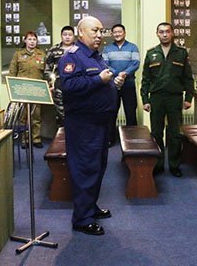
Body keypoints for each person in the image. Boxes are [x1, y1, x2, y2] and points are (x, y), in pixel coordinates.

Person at [59, 16, 125, 235]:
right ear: (81, 32)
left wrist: (113, 83)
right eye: (94, 31)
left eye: (101, 31)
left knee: (97, 167)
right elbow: (69, 86)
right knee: (85, 169)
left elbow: (100, 82)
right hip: (83, 124)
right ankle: (82, 218)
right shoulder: (72, 56)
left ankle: (90, 207)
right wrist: (99, 80)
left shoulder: (96, 56)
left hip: (100, 122)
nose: (99, 35)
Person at [141, 22, 194, 177]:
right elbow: (145, 79)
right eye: (161, 32)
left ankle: (174, 165)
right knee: (156, 133)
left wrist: (188, 97)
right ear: (157, 34)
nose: (164, 34)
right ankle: (157, 165)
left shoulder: (181, 53)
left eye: (167, 31)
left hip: (174, 98)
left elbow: (188, 78)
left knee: (175, 133)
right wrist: (145, 99)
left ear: (172, 33)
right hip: (156, 98)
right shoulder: (151, 53)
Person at [102, 24, 140, 145]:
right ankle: (110, 139)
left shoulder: (132, 47)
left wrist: (124, 73)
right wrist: (117, 74)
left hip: (129, 84)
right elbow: (105, 64)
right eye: (115, 32)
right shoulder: (107, 48)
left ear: (124, 33)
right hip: (112, 85)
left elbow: (136, 63)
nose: (117, 34)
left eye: (120, 32)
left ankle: (132, 140)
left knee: (131, 112)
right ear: (112, 34)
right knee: (111, 112)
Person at [9, 31, 47, 148]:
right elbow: (12, 72)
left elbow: (46, 72)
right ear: (25, 40)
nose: (32, 42)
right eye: (29, 39)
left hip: (37, 89)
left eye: (34, 39)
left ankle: (36, 139)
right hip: (22, 89)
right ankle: (24, 139)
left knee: (36, 116)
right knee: (23, 116)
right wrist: (12, 89)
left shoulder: (41, 54)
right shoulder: (18, 54)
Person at [44, 26, 75, 127]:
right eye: (65, 35)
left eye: (70, 35)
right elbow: (47, 68)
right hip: (59, 84)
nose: (67, 37)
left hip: (75, 83)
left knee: (75, 109)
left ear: (74, 36)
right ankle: (62, 131)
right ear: (61, 36)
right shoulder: (54, 50)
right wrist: (50, 83)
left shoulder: (79, 49)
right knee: (60, 111)